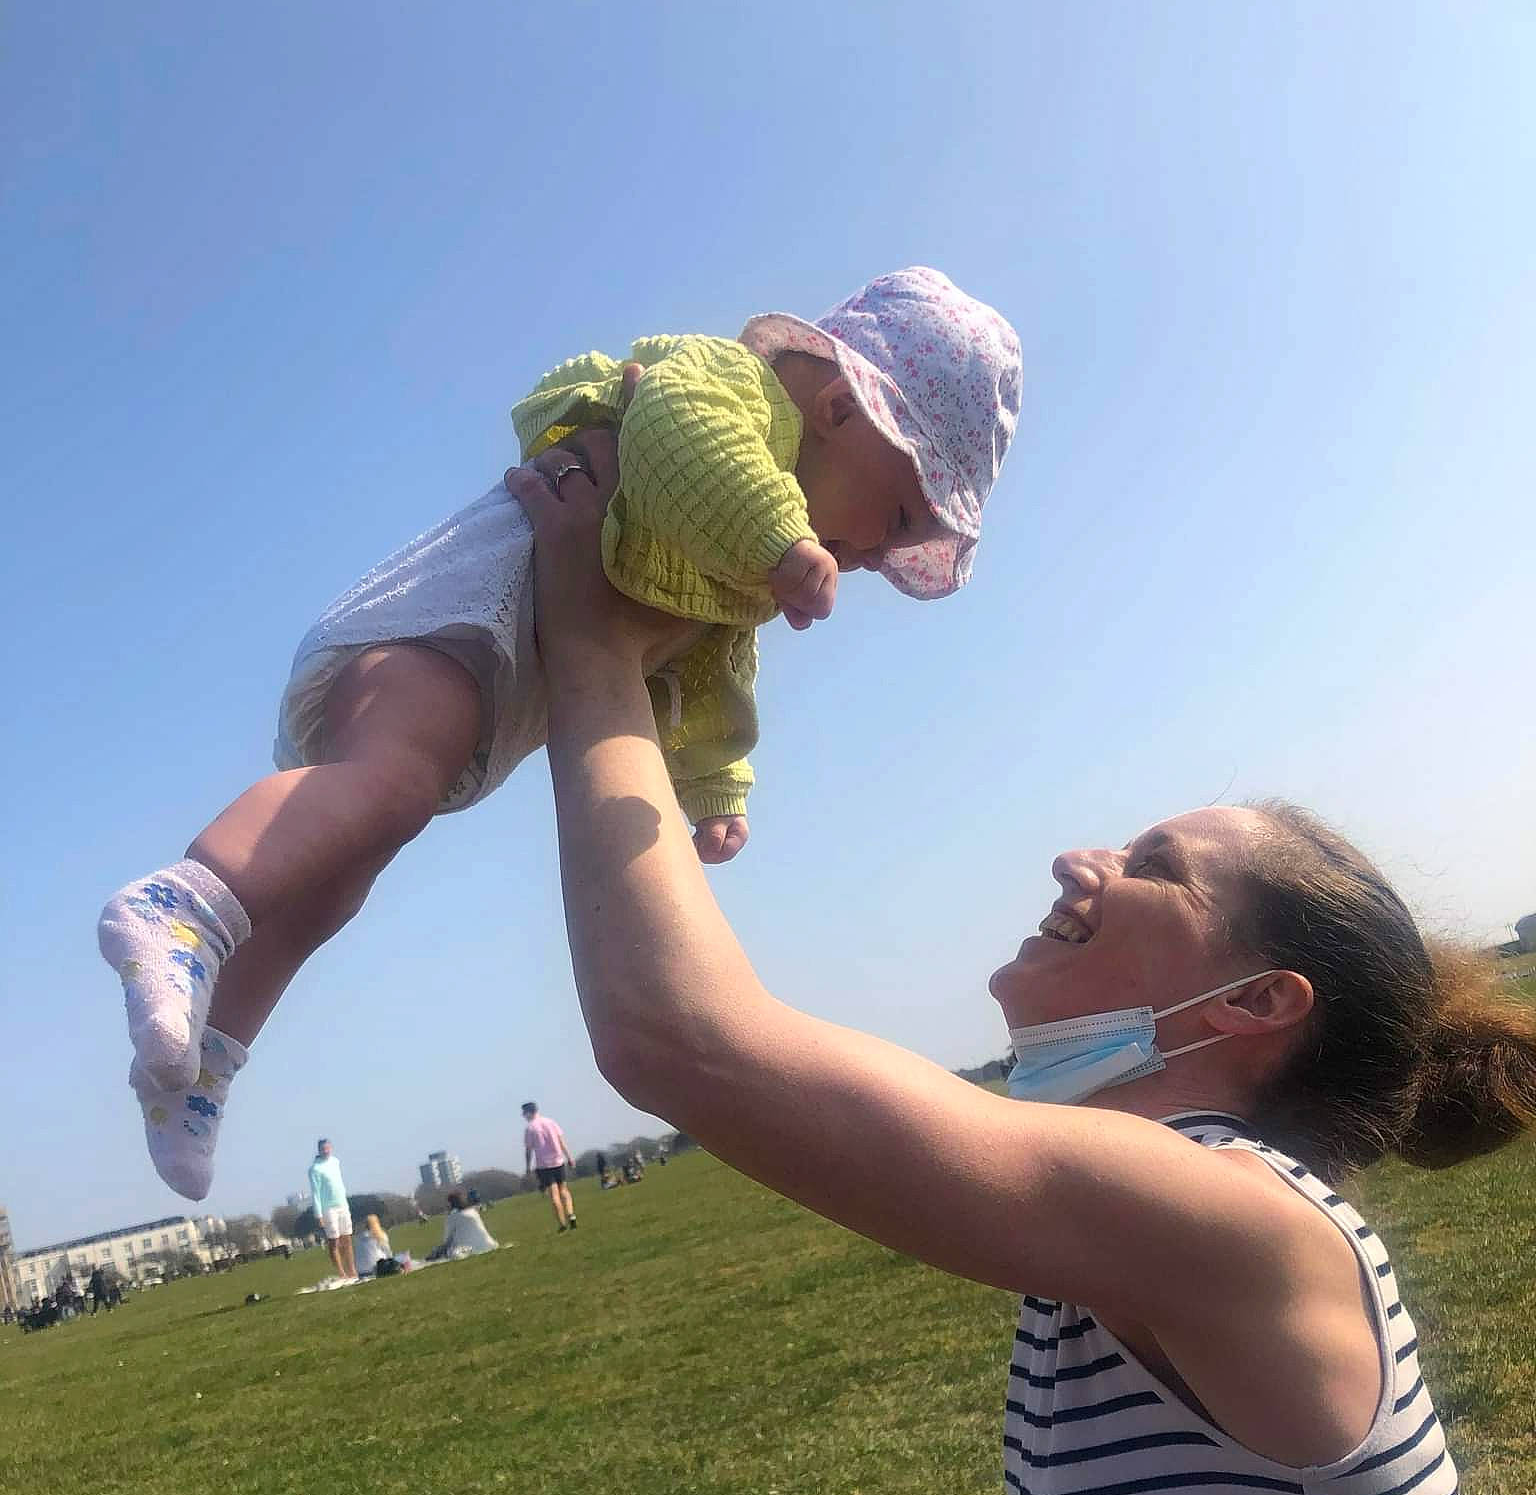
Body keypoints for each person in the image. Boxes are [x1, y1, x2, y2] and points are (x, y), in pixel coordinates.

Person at [507, 437, 1536, 1495]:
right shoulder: (1121, 1223)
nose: (1083, 858)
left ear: (1256, 1004)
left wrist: (590, 650)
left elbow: (682, 1039)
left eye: (1155, 868)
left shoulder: (1241, 1225)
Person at [95, 268, 1022, 1203]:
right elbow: (672, 438)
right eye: (901, 516)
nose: (875, 557)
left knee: (335, 879)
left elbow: (711, 668)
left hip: (490, 673)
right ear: (838, 407)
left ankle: (202, 1063)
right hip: (450, 619)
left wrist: (717, 782)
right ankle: (185, 905)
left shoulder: (737, 562)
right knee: (391, 784)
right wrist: (781, 543)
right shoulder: (728, 391)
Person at [523, 1101, 577, 1232]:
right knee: (564, 1190)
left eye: (524, 1113)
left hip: (544, 1165)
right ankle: (571, 1214)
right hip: (558, 1161)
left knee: (554, 1195)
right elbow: (561, 1141)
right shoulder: (550, 1122)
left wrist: (528, 1167)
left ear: (529, 1113)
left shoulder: (530, 1128)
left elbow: (529, 1150)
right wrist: (569, 1157)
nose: (524, 1116)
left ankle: (562, 1223)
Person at [308, 1138, 355, 1282]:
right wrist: (319, 1214)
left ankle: (352, 1270)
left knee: (347, 1239)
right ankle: (342, 1273)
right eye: (323, 1149)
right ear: (319, 1150)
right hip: (328, 1209)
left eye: (328, 1148)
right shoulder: (315, 1169)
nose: (326, 1151)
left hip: (342, 1204)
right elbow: (315, 1192)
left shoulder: (335, 1161)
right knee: (334, 1241)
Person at [432, 1190, 499, 1259]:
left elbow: (447, 1239)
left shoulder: (452, 1217)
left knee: (442, 1251)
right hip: (490, 1244)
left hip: (471, 1248)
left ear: (451, 1204)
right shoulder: (473, 1211)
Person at [353, 1210, 393, 1277]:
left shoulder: (358, 1238)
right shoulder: (381, 1236)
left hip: (361, 1271)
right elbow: (389, 1254)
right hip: (378, 1269)